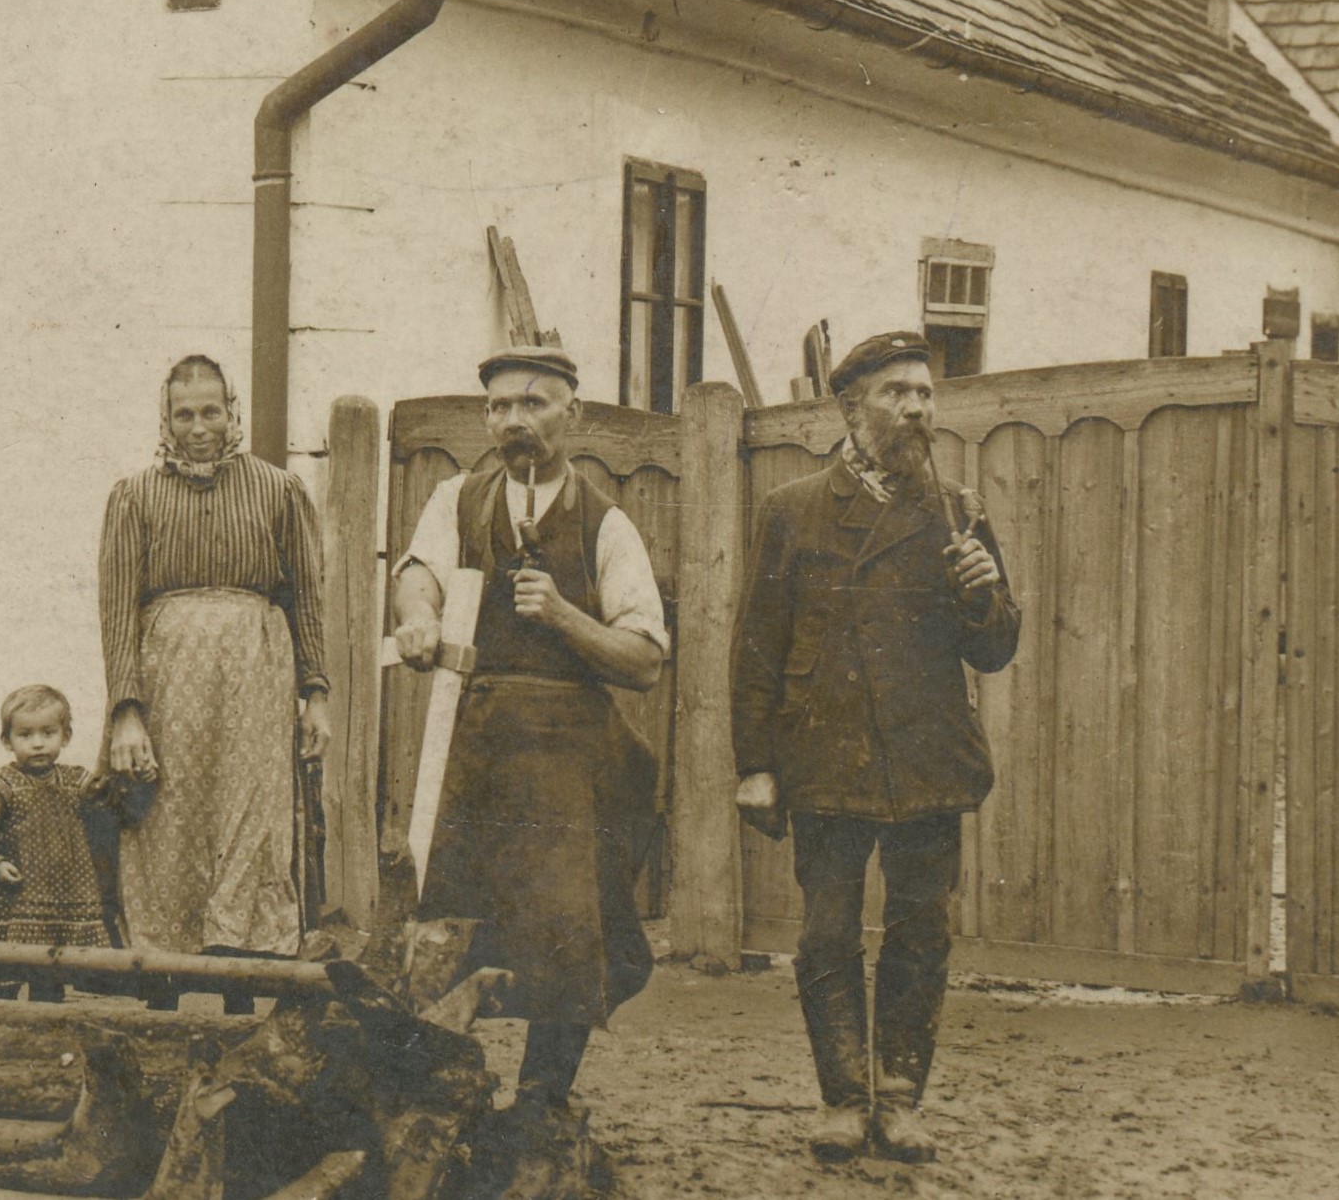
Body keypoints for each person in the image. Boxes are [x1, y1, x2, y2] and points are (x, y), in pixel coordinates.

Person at [730, 331, 1019, 1165]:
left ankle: (897, 1100)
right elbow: (756, 645)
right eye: (897, 392)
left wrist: (983, 595)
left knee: (920, 929)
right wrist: (755, 763)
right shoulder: (792, 508)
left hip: (926, 754)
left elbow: (993, 649)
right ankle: (842, 1099)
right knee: (826, 933)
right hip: (826, 753)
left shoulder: (958, 509)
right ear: (849, 406)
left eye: (925, 392)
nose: (916, 408)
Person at [391, 330, 668, 1111]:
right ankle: (442, 1093)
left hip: (565, 758)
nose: (513, 419)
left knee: (566, 927)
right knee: (444, 917)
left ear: (570, 415)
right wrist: (418, 616)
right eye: (499, 405)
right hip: (474, 746)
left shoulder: (606, 523)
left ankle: (542, 1102)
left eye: (533, 403)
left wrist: (564, 616)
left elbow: (645, 658)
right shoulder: (455, 499)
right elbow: (418, 574)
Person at [95, 353, 330, 963]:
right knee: (166, 814)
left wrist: (317, 695)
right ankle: (162, 971)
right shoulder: (134, 496)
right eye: (184, 415)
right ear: (166, 419)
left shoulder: (279, 490)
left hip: (256, 676)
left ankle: (243, 968)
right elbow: (117, 612)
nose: (198, 428)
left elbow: (308, 598)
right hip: (167, 680)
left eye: (210, 412)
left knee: (251, 809)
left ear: (232, 412)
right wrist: (126, 712)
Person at [0, 685, 151, 996]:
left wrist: (136, 778)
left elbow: (113, 802)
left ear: (65, 736)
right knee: (4, 971)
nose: (38, 743)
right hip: (14, 897)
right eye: (25, 735)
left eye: (48, 733)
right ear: (7, 741)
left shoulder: (76, 781)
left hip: (62, 898)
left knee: (52, 973)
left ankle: (49, 1019)